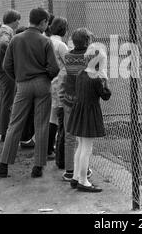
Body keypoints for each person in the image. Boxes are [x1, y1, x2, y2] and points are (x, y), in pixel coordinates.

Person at [0, 7, 59, 178]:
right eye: (46, 23)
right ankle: (38, 167)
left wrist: (18, 78)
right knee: (41, 125)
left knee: (15, 124)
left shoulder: (16, 39)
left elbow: (6, 66)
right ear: (42, 22)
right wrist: (46, 77)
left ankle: (3, 166)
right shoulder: (45, 41)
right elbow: (54, 68)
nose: (46, 26)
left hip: (23, 85)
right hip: (42, 85)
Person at [67, 45, 111, 192]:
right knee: (87, 148)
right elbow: (106, 95)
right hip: (90, 113)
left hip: (79, 111)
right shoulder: (97, 79)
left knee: (80, 146)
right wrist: (104, 78)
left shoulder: (81, 73)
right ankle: (83, 180)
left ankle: (75, 177)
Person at [57, 28, 93, 181]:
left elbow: (65, 78)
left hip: (69, 99)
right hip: (85, 101)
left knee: (70, 135)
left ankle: (70, 170)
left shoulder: (69, 57)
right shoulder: (91, 57)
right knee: (84, 139)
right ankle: (83, 170)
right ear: (87, 41)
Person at [0, 10, 21, 142]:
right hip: (6, 70)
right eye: (18, 20)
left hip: (2, 69)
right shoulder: (6, 30)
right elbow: (4, 44)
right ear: (13, 20)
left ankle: (3, 129)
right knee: (7, 100)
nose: (19, 23)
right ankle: (5, 131)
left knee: (4, 99)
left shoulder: (2, 30)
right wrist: (14, 53)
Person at [47, 17, 69, 160]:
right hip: (58, 83)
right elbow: (69, 64)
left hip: (47, 81)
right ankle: (50, 149)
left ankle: (47, 147)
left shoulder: (46, 41)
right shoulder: (61, 45)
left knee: (50, 115)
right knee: (56, 116)